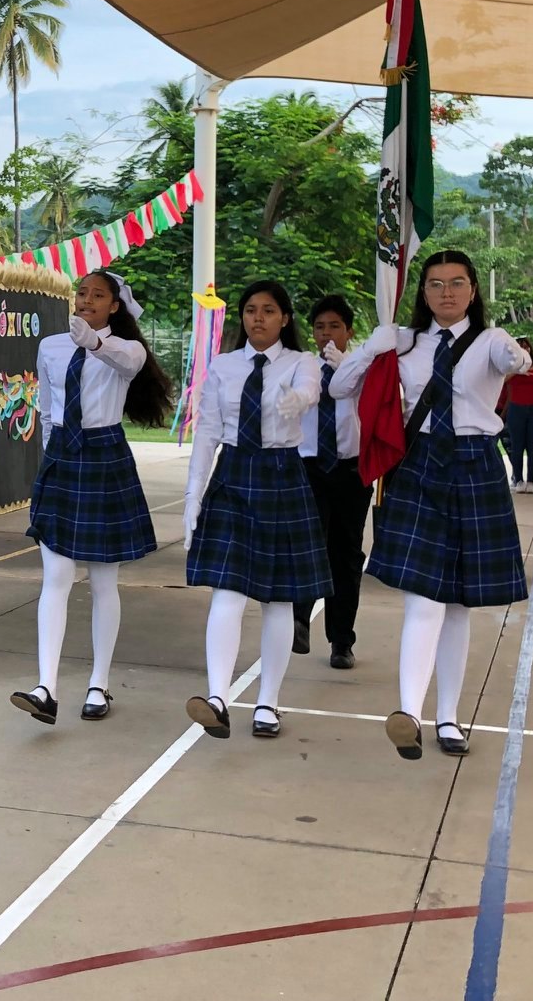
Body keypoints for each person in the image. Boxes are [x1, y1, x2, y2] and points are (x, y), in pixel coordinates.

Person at [331, 250, 531, 761]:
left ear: (473, 290)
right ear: (423, 292)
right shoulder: (406, 342)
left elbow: (516, 362)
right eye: (436, 283)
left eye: (457, 283)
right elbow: (339, 386)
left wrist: (515, 354)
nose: (447, 292)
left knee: (458, 605)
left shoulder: (490, 340)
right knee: (423, 599)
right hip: (419, 464)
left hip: (475, 463)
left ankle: (448, 717)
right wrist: (372, 346)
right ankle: (408, 713)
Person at [12, 271, 173, 725]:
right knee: (56, 575)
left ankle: (98, 684)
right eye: (82, 292)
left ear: (114, 306)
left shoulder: (128, 348)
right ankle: (46, 687)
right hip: (62, 456)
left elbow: (128, 363)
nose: (86, 300)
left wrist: (96, 343)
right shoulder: (51, 346)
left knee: (104, 582)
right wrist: (51, 456)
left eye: (98, 295)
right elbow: (47, 407)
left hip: (105, 455)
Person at [181, 281, 333, 740]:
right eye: (250, 310)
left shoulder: (301, 362)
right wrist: (193, 496)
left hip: (282, 474)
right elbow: (208, 432)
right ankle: (217, 699)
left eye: (268, 310)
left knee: (278, 599)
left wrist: (300, 399)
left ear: (285, 318)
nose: (258, 318)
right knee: (226, 592)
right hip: (232, 474)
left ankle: (268, 701)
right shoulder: (224, 366)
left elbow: (311, 389)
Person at [298, 296, 368, 670]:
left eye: (335, 326)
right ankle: (299, 619)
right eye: (320, 327)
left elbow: (378, 407)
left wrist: (349, 373)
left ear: (349, 331)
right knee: (309, 544)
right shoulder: (302, 367)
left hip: (351, 470)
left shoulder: (362, 368)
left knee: (346, 554)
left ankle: (342, 640)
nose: (327, 334)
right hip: (310, 467)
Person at [500, 336, 533, 494]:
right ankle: (518, 479)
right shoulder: (509, 368)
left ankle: (531, 481)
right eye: (520, 347)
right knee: (517, 446)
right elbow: (502, 381)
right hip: (516, 408)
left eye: (526, 346)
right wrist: (519, 370)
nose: (524, 349)